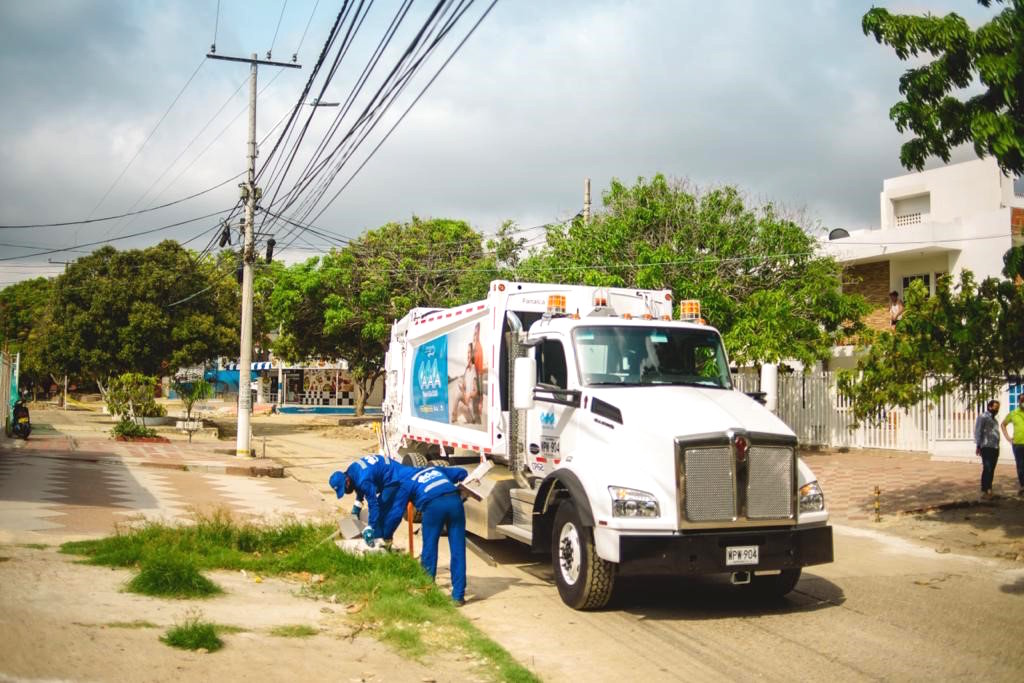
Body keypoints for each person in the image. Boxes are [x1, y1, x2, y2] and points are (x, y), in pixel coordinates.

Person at [378, 465, 469, 605]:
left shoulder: (407, 482)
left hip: (433, 507)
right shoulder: (435, 469)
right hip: (455, 502)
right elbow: (462, 472)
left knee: (430, 548)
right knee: (458, 549)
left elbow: (396, 512)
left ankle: (427, 590)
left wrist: (387, 535)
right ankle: (458, 596)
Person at [329, 454, 402, 545]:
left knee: (381, 509)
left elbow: (374, 505)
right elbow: (357, 485)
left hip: (394, 477)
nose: (346, 492)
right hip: (386, 470)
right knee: (373, 513)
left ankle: (382, 543)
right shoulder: (351, 471)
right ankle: (380, 537)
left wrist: (370, 527)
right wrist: (357, 507)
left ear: (347, 481)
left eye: (344, 489)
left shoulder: (363, 481)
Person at [974, 399, 1002, 499]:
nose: (997, 409)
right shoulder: (983, 417)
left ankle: (988, 488)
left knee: (992, 468)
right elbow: (978, 431)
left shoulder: (994, 419)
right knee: (987, 467)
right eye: (995, 407)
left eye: (998, 408)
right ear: (989, 407)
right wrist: (978, 445)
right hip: (986, 446)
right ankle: (986, 489)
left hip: (995, 447)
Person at [1000, 401, 1024, 496]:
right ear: (1019, 402)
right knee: (1021, 466)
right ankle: (1023, 486)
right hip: (1018, 444)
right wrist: (1008, 438)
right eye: (1022, 400)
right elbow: (1003, 424)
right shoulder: (1013, 413)